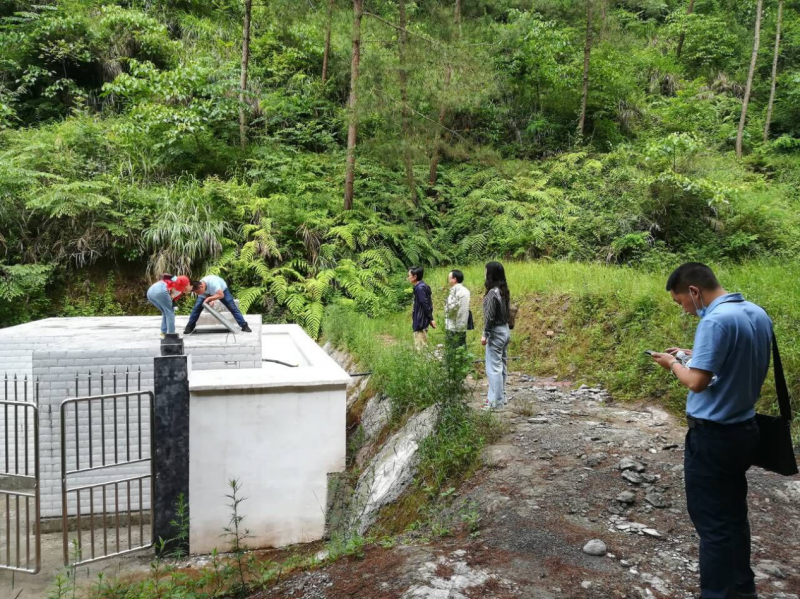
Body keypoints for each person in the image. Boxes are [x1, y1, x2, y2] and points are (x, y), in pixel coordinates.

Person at [650, 263, 771, 599]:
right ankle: (742, 590)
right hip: (745, 430)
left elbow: (697, 382)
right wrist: (691, 354)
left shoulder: (715, 320)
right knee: (734, 517)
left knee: (713, 525)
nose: (686, 311)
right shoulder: (755, 313)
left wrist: (673, 363)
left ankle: (716, 594)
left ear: (693, 291)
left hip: (713, 437)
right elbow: (735, 361)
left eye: (681, 303)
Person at [481, 261, 511, 410]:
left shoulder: (493, 293)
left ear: (490, 273)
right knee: (502, 366)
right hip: (505, 330)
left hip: (496, 332)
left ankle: (495, 402)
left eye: (486, 271)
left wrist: (485, 334)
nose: (484, 273)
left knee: (493, 368)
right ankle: (499, 397)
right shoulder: (504, 291)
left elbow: (490, 316)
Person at [184, 275, 252, 334]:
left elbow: (221, 295)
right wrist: (210, 299)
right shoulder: (199, 286)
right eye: (196, 293)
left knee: (232, 307)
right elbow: (205, 294)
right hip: (209, 291)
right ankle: (190, 326)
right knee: (197, 308)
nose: (198, 294)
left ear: (201, 286)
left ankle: (244, 326)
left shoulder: (214, 283)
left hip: (222, 291)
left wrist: (210, 299)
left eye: (198, 292)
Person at [408, 266, 435, 348]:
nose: (408, 278)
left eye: (409, 275)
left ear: (415, 276)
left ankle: (423, 360)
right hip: (422, 320)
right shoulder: (422, 286)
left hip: (420, 321)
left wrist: (430, 319)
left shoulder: (420, 288)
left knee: (420, 347)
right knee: (422, 345)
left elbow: (425, 304)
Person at [444, 269, 470, 351]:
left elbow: (451, 308)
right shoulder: (466, 291)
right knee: (462, 347)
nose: (448, 280)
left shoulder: (455, 291)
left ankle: (451, 364)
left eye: (449, 278)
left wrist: (445, 306)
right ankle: (463, 363)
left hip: (453, 325)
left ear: (454, 279)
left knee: (452, 349)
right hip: (463, 324)